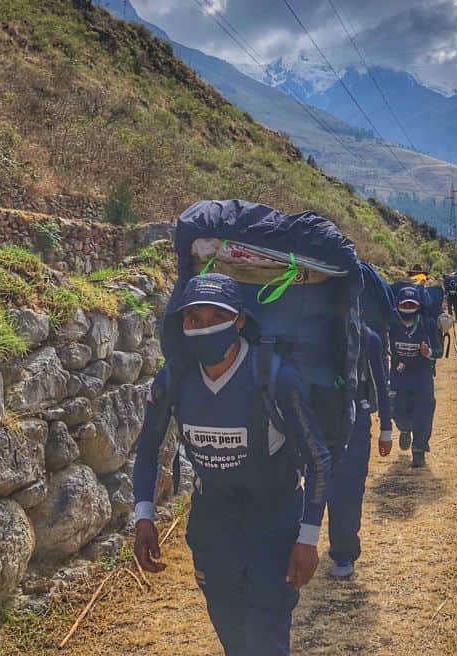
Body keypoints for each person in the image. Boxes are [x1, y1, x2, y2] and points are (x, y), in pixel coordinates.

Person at [132, 273, 331, 656]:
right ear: (182, 323)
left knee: (265, 637)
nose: (204, 329)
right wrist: (144, 515)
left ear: (240, 320)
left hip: (272, 522)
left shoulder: (274, 378)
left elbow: (318, 458)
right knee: (232, 635)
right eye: (195, 320)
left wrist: (307, 538)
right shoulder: (175, 378)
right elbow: (148, 446)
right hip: (212, 525)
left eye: (216, 319)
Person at [326, 324, 393, 578]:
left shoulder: (368, 339)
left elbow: (381, 384)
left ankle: (343, 552)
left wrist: (386, 427)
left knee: (348, 489)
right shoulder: (311, 332)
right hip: (315, 418)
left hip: (356, 423)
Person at [389, 286, 439, 467]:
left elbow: (439, 351)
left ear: (418, 306)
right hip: (398, 375)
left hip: (422, 376)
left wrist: (429, 352)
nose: (408, 307)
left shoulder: (428, 324)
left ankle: (419, 449)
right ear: (398, 305)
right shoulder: (391, 324)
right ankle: (404, 428)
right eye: (405, 304)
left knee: (424, 412)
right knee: (397, 409)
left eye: (412, 304)